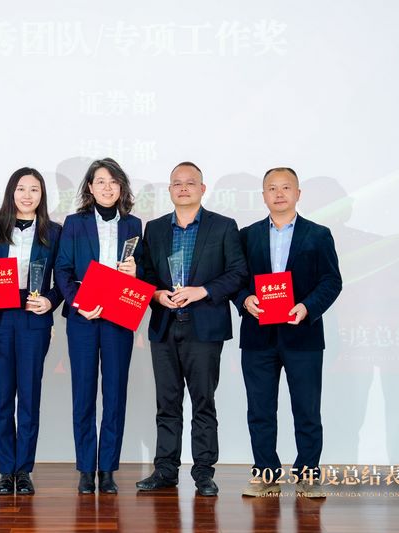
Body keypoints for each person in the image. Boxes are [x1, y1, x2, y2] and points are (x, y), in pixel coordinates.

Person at [137, 161, 248, 497]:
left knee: (203, 402)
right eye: (177, 183)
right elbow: (144, 274)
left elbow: (238, 273)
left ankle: (203, 473)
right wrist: (157, 295)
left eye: (190, 182)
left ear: (203, 188)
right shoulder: (155, 228)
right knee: (166, 403)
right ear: (170, 190)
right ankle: (165, 470)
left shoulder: (223, 226)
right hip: (164, 326)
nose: (183, 188)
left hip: (204, 327)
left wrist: (202, 291)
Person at [234, 167, 342, 498]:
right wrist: (245, 299)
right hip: (258, 336)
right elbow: (236, 279)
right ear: (263, 195)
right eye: (272, 188)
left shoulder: (318, 234)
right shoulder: (247, 235)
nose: (279, 194)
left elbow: (331, 280)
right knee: (260, 411)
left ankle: (308, 475)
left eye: (285, 187)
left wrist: (307, 307)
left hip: (303, 336)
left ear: (298, 193)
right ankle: (266, 475)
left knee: (307, 410)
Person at [0, 167, 63, 495]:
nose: (27, 195)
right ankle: (5, 469)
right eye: (21, 188)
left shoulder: (54, 231)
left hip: (34, 317)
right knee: (1, 397)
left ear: (42, 195)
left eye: (34, 189)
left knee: (29, 395)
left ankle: (23, 471)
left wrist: (51, 300)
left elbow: (64, 276)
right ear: (12, 192)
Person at [54, 158, 142, 494]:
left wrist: (136, 273)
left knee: (115, 393)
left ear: (122, 187)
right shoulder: (74, 223)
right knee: (84, 393)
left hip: (118, 317)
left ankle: (107, 469)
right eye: (100, 181)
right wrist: (80, 302)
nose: (107, 187)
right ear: (90, 187)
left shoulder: (134, 224)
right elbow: (63, 269)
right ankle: (85, 468)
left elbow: (143, 273)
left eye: (113, 181)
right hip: (83, 318)